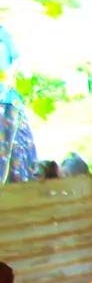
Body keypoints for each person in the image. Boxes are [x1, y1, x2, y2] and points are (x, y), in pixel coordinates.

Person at [0, 25, 38, 184]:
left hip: (8, 99)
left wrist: (10, 76)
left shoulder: (3, 33)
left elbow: (17, 59)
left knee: (15, 148)